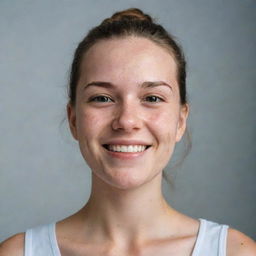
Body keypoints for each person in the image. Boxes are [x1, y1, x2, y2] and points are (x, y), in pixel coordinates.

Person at [0, 8, 255, 256]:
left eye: (152, 98)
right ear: (74, 119)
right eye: (102, 98)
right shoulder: (19, 253)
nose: (127, 120)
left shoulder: (235, 251)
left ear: (180, 120)